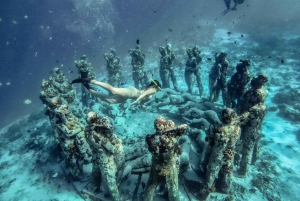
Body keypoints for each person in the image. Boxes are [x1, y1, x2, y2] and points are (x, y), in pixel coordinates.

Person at [71, 77, 161, 105]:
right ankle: (92, 81)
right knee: (113, 91)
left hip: (129, 96)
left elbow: (143, 98)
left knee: (110, 100)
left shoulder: (151, 90)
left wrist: (142, 105)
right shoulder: (153, 90)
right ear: (155, 86)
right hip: (132, 92)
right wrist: (137, 100)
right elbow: (144, 94)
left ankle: (89, 88)